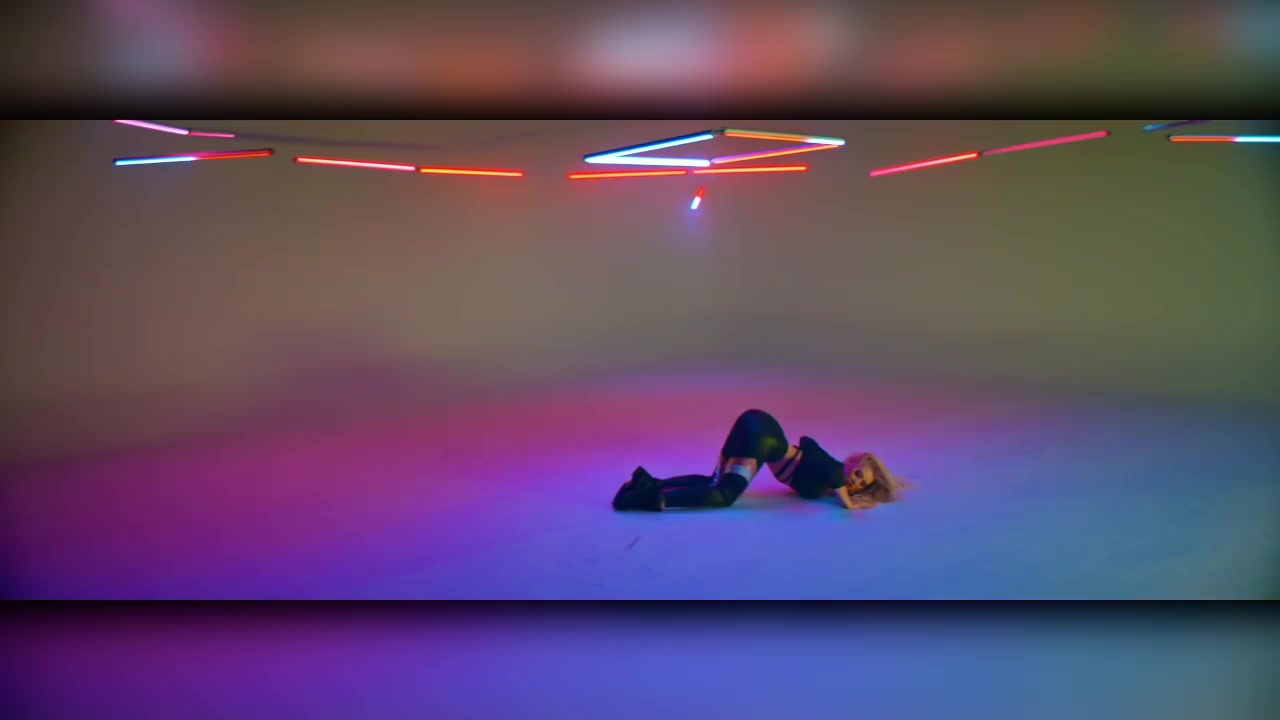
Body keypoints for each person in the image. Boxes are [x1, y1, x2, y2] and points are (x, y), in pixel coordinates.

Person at [611, 409, 910, 511]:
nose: (853, 481)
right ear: (852, 463)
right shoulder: (833, 469)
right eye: (858, 473)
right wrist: (850, 504)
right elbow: (835, 477)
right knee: (723, 496)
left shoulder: (825, 478)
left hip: (757, 425)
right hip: (763, 437)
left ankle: (651, 484)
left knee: (713, 481)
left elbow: (828, 480)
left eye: (860, 484)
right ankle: (649, 500)